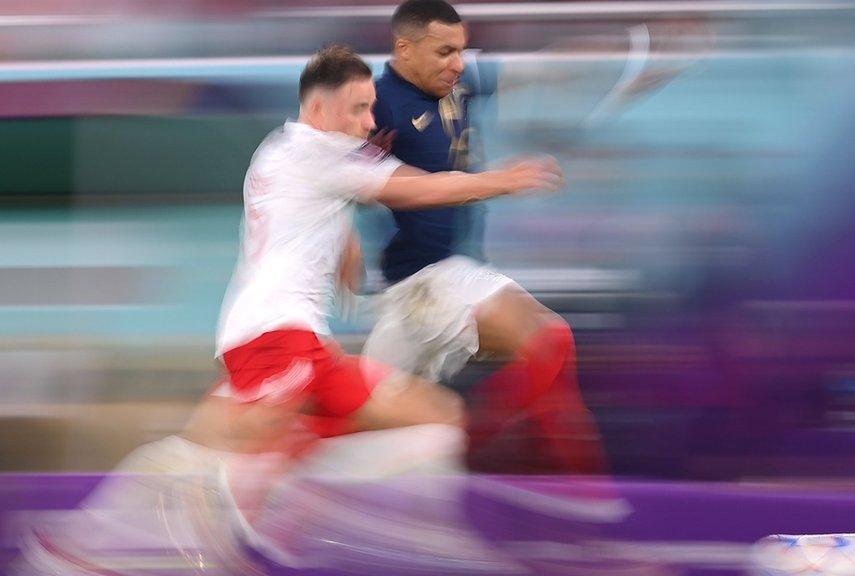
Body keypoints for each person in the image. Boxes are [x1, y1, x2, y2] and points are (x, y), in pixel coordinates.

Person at [16, 44, 564, 575]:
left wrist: (343, 232)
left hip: (271, 340)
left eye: (372, 106)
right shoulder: (325, 155)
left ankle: (109, 547)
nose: (370, 121)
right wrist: (505, 181)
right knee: (412, 422)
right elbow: (422, 191)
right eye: (358, 108)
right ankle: (204, 535)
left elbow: (310, 201)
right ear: (320, 108)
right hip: (281, 340)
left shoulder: (280, 147)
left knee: (414, 420)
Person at [362, 0, 606, 474]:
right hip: (424, 282)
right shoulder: (379, 105)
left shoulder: (457, 81)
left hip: (439, 286)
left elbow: (542, 68)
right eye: (445, 52)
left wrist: (636, 46)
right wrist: (503, 181)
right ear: (404, 48)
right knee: (550, 344)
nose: (458, 63)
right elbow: (382, 185)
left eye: (462, 50)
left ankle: (550, 496)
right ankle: (513, 472)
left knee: (387, 424)